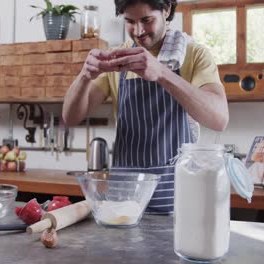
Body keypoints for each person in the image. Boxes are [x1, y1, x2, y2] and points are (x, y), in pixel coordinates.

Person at [62, 0, 229, 214]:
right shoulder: (117, 58)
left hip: (178, 198)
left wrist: (162, 73)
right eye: (130, 22)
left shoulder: (194, 54)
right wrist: (84, 76)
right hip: (125, 199)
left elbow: (219, 118)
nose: (138, 31)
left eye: (146, 20)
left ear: (167, 9)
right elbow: (71, 117)